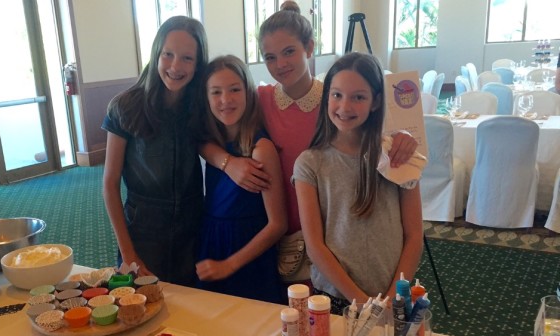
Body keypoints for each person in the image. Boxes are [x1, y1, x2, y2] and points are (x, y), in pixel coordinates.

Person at [201, 3, 417, 286]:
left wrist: (405, 137)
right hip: (280, 231)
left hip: (337, 231)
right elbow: (209, 135)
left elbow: (379, 131)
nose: (281, 64)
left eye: (289, 52)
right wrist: (227, 163)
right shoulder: (261, 99)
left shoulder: (336, 101)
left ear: (310, 48)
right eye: (270, 57)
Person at [292, 52, 424, 315]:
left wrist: (392, 297)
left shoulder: (397, 156)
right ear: (326, 96)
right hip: (335, 298)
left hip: (392, 294)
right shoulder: (310, 163)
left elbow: (414, 235)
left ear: (375, 102)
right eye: (337, 94)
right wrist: (363, 302)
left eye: (358, 97)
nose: (345, 106)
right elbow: (315, 246)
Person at [102, 16, 208, 286]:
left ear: (198, 64)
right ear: (156, 54)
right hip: (143, 229)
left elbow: (211, 146)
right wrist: (129, 254)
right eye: (168, 55)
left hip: (192, 228)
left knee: (193, 312)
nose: (175, 66)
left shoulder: (201, 104)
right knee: (140, 310)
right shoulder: (125, 106)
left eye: (187, 58)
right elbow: (110, 183)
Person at [195, 55, 287, 303]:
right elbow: (202, 143)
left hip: (247, 255)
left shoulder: (260, 148)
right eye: (216, 92)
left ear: (248, 92)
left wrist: (230, 265)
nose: (226, 100)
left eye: (234, 89)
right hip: (212, 243)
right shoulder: (212, 142)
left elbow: (278, 224)